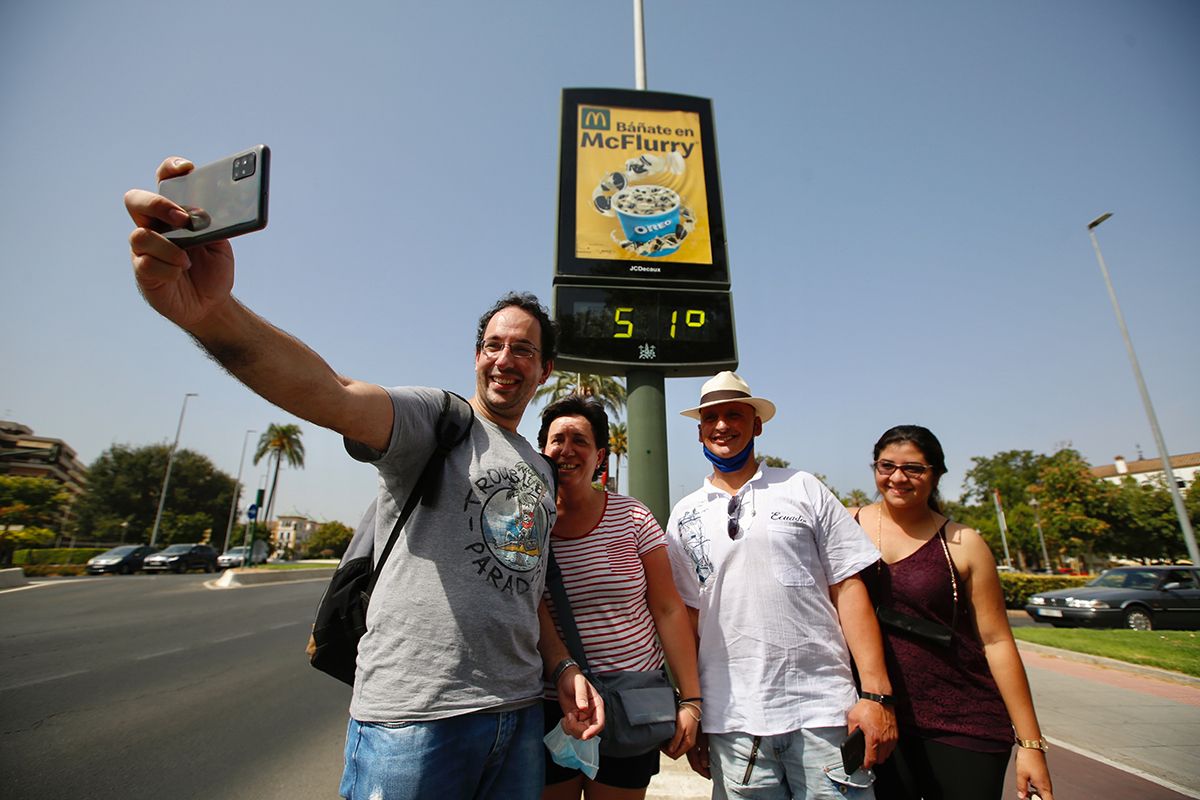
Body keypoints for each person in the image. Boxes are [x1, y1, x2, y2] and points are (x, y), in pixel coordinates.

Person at [124, 156, 602, 800]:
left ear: (545, 370)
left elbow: (530, 589)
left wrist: (564, 666)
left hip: (516, 717)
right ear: (477, 355)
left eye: (522, 349)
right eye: (493, 343)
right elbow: (333, 392)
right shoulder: (437, 421)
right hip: (411, 722)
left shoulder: (540, 471)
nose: (504, 359)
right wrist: (211, 313)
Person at [664, 371, 897, 800]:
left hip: (824, 711)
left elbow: (848, 588)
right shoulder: (684, 515)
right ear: (699, 431)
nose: (721, 425)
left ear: (757, 424)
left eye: (734, 414)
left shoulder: (802, 487)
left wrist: (877, 697)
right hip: (732, 722)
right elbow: (687, 618)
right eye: (711, 417)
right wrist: (694, 706)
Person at [850, 426, 1054, 800]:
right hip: (876, 720)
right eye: (886, 466)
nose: (897, 477)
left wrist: (1030, 744)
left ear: (937, 474)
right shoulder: (843, 526)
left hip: (963, 722)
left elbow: (996, 643)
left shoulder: (964, 543)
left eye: (914, 468)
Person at [537, 396, 702, 800]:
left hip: (632, 704)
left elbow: (667, 609)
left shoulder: (633, 517)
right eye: (557, 439)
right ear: (541, 451)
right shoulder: (528, 526)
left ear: (601, 456)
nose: (567, 450)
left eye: (580, 440)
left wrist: (692, 700)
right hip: (554, 705)